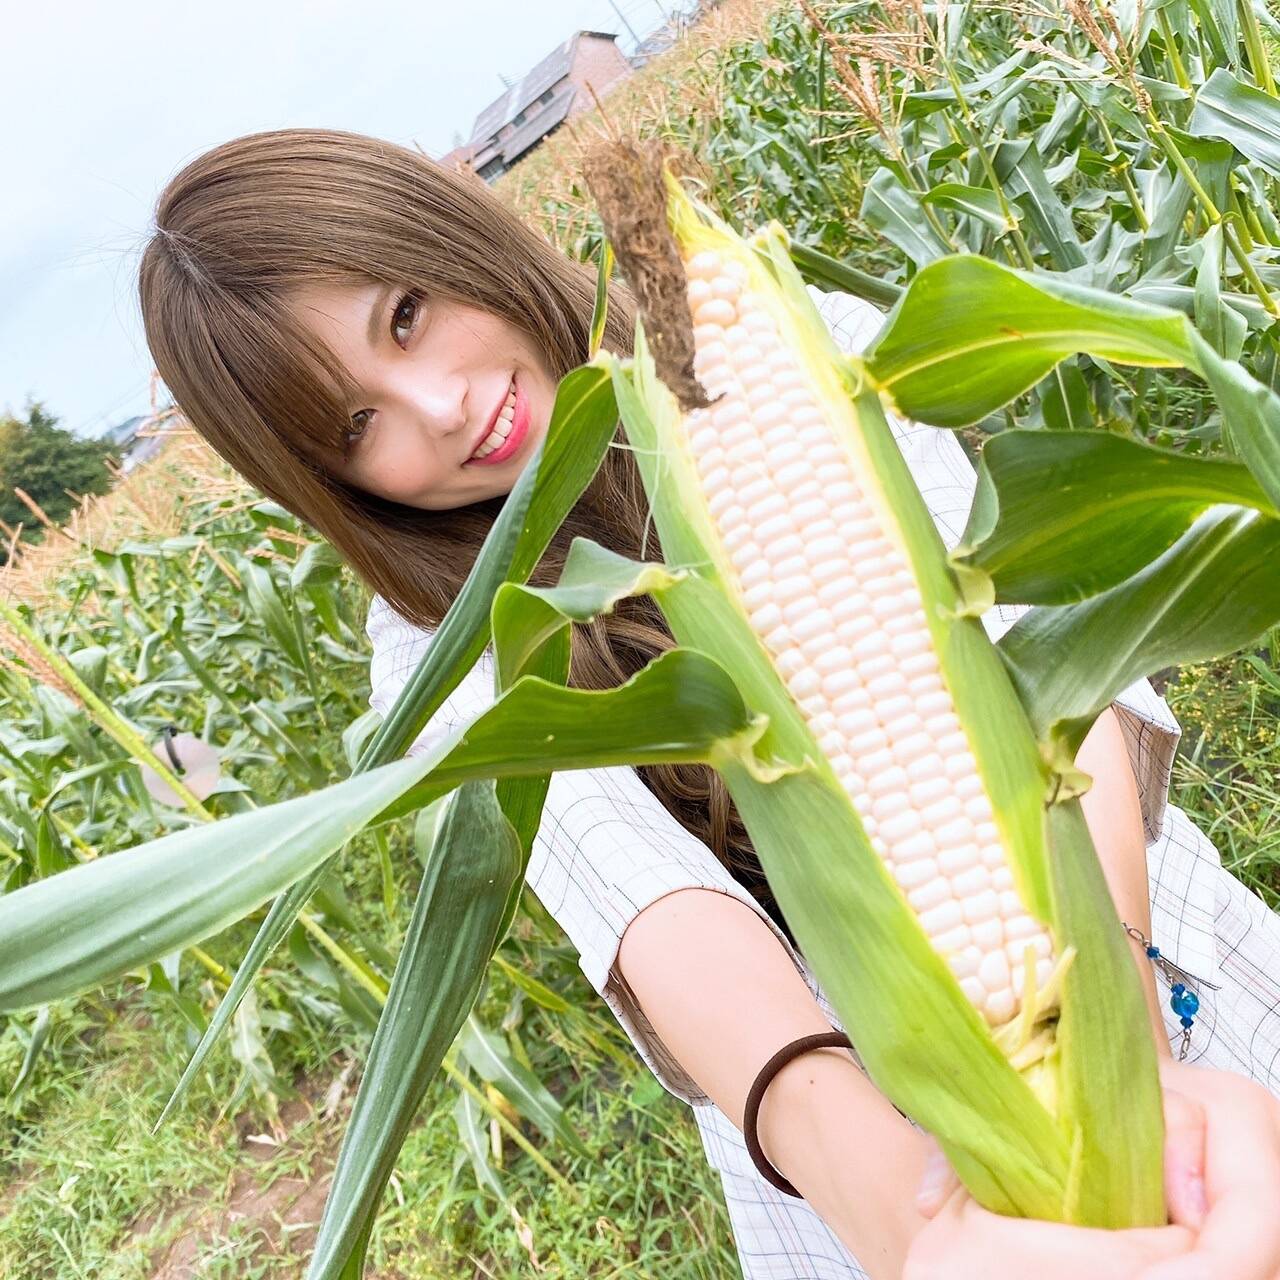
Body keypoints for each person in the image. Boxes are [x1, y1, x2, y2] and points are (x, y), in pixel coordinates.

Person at [138, 127, 1280, 1280]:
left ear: (454, 238)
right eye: (353, 424)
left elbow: (1057, 674)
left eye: (405, 314)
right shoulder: (440, 641)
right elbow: (649, 910)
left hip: (1137, 942)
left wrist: (1117, 1026)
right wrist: (912, 1222)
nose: (437, 406)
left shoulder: (766, 345)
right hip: (854, 1122)